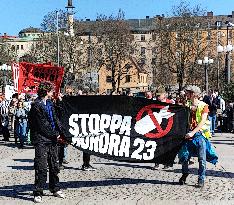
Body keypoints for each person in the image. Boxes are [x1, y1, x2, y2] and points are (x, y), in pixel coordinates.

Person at [28, 82, 65, 203]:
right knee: (41, 167)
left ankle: (55, 188)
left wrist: (60, 101)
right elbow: (42, 125)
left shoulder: (49, 103)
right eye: (52, 90)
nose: (53, 92)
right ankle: (38, 192)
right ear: (46, 91)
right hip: (41, 140)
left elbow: (56, 117)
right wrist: (56, 134)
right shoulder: (36, 105)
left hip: (52, 140)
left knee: (54, 166)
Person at [178, 85, 218, 188]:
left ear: (194, 94)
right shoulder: (186, 104)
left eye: (188, 92)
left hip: (200, 135)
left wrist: (192, 132)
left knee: (202, 159)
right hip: (188, 134)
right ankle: (185, 173)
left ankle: (201, 178)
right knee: (184, 156)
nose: (186, 94)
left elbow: (202, 122)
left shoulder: (204, 106)